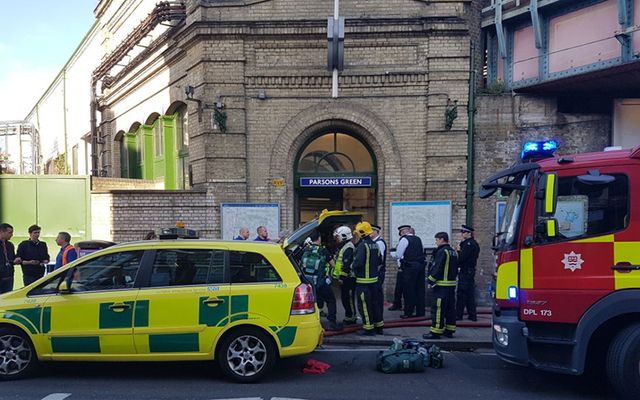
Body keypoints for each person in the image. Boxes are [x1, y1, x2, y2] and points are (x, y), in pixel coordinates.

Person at [300, 231, 340, 331]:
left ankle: (313, 323)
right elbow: (333, 265)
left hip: (308, 283)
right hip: (321, 283)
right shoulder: (323, 251)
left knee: (313, 302)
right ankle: (332, 322)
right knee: (331, 300)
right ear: (319, 239)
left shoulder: (305, 250)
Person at [424, 231, 459, 340]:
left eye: (437, 240)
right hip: (451, 285)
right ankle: (449, 330)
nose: (436, 242)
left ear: (442, 239)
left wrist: (430, 280)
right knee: (450, 309)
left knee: (438, 308)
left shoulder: (442, 252)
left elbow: (437, 267)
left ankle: (436, 331)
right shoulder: (453, 252)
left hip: (441, 286)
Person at [353, 221, 384, 336]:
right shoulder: (376, 244)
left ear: (361, 233)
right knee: (375, 304)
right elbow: (380, 260)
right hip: (374, 282)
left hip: (363, 282)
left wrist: (352, 267)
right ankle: (379, 327)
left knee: (364, 306)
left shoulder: (362, 245)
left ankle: (368, 329)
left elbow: (358, 263)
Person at [393, 225, 426, 318]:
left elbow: (398, 255)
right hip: (420, 267)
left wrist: (394, 255)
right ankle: (420, 312)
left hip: (409, 268)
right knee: (419, 290)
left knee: (409, 290)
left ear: (403, 232)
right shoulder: (418, 239)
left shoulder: (404, 240)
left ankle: (408, 312)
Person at [332, 225, 357, 325]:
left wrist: (342, 277)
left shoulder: (348, 248)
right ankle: (349, 316)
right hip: (346, 277)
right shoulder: (344, 246)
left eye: (337, 237)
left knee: (349, 299)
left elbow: (346, 264)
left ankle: (351, 317)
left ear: (344, 236)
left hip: (349, 278)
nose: (336, 239)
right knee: (345, 298)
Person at [456, 224, 480, 321]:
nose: (462, 234)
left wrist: (458, 251)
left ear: (469, 233)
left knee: (461, 294)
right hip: (470, 271)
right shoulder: (473, 243)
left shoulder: (468, 244)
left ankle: (458, 315)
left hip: (465, 271)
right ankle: (472, 315)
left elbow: (462, 258)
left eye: (463, 232)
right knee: (469, 294)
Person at [0, 223, 21, 294]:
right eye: (9, 233)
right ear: (2, 232)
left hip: (9, 277)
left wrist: (16, 260)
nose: (11, 235)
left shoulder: (10, 245)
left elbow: (11, 258)